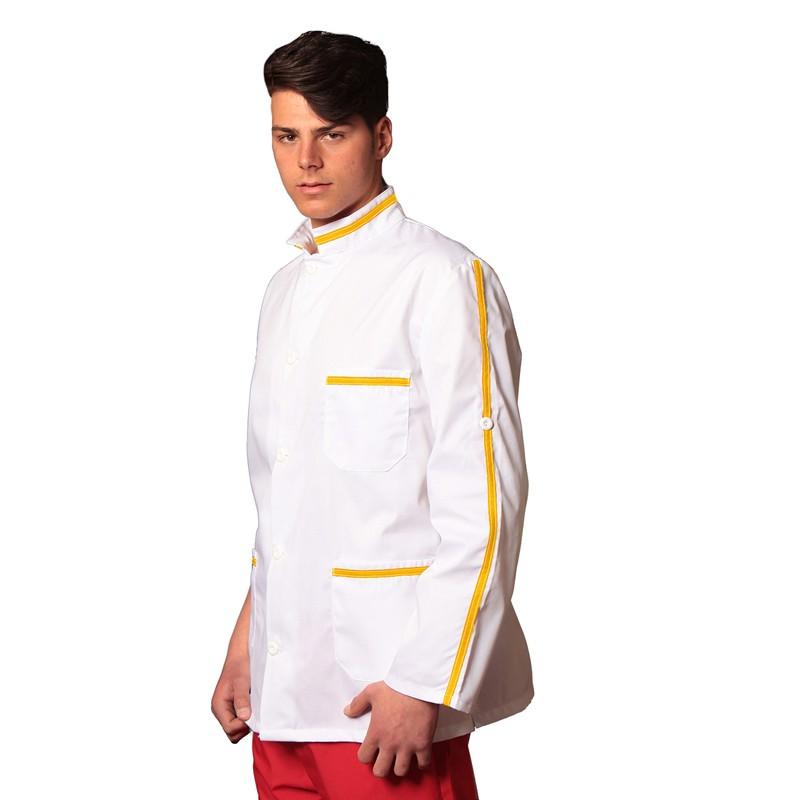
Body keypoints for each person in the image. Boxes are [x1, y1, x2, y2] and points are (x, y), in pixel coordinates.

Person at [210, 30, 534, 800]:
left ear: (381, 136)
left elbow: (486, 508)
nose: (306, 162)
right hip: (283, 704)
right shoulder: (283, 292)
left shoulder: (443, 278)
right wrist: (247, 642)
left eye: (332, 134)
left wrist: (424, 682)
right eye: (286, 136)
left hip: (384, 706)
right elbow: (292, 503)